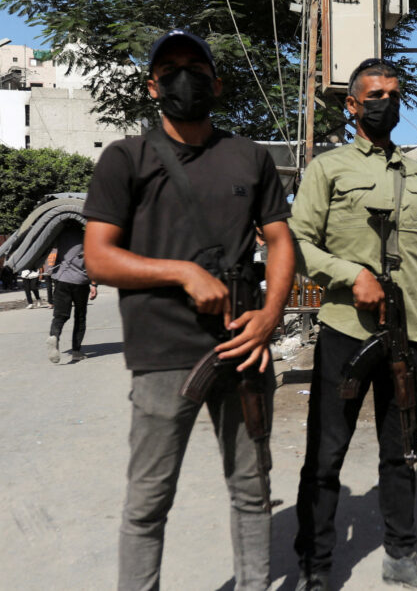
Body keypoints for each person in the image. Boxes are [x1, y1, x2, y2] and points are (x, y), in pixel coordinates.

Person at [82, 29, 294, 591]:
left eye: (195, 69)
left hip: (243, 348)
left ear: (216, 84)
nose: (184, 78)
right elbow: (98, 257)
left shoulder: (249, 157)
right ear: (153, 86)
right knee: (148, 501)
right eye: (170, 70)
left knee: (252, 490)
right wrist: (180, 272)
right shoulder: (126, 157)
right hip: (162, 353)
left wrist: (270, 316)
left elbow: (280, 240)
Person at [290, 57, 417, 591]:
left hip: (408, 337)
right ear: (352, 104)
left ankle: (401, 556)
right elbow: (297, 243)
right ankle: (316, 566)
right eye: (375, 96)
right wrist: (351, 275)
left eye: (393, 94)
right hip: (347, 331)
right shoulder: (329, 169)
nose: (386, 103)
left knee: (403, 451)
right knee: (327, 454)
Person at [46, 223, 98, 363]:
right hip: (81, 282)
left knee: (60, 315)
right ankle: (76, 351)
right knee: (80, 317)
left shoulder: (59, 236)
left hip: (62, 279)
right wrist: (94, 284)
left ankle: (54, 336)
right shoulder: (88, 237)